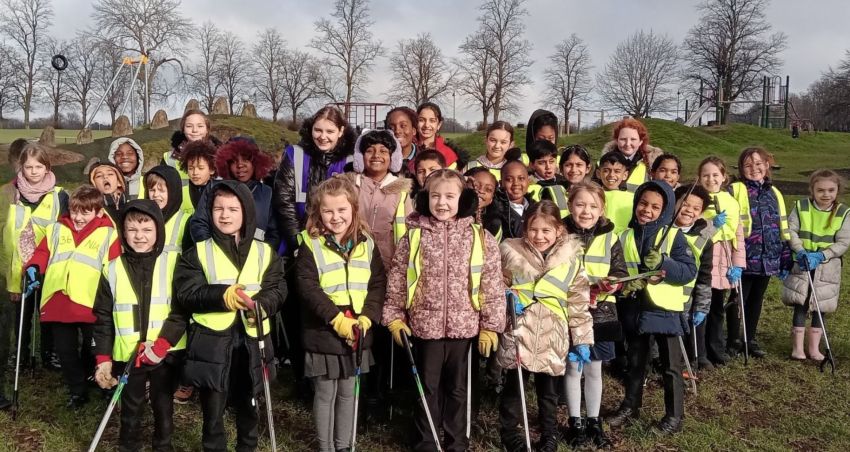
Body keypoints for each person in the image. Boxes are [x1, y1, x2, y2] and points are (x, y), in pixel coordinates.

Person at [383, 169, 504, 452]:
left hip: (465, 328)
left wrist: (491, 326)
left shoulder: (480, 238)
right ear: (426, 199)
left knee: (459, 390)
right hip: (425, 327)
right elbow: (398, 281)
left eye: (450, 196)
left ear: (463, 200)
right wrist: (395, 317)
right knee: (427, 388)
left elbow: (492, 285)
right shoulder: (413, 238)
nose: (442, 203)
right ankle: (427, 442)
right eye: (435, 196)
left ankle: (456, 442)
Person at [174, 181, 285, 451]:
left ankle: (247, 447)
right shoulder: (197, 252)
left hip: (252, 344)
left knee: (249, 406)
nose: (225, 215)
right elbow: (187, 293)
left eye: (233, 209)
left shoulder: (264, 252)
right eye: (218, 208)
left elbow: (277, 288)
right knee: (213, 411)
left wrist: (262, 306)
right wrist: (221, 296)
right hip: (213, 346)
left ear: (246, 212)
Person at [295, 177, 387, 452]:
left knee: (349, 392)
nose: (335, 217)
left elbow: (377, 283)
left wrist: (368, 316)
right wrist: (336, 319)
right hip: (324, 330)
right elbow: (307, 286)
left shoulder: (367, 242)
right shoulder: (311, 244)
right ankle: (326, 447)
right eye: (328, 211)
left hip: (358, 329)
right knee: (326, 392)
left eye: (341, 210)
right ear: (317, 213)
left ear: (353, 210)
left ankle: (344, 445)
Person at [92, 200, 187, 451]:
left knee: (162, 404)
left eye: (147, 230)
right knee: (131, 407)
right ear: (123, 232)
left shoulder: (174, 264)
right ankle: (127, 446)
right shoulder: (112, 269)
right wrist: (103, 357)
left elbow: (181, 311)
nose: (139, 236)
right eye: (132, 230)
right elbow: (102, 317)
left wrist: (162, 344)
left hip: (165, 352)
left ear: (158, 231)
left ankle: (163, 445)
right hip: (129, 355)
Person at [273, 106, 356, 391]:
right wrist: (300, 242)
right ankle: (301, 376)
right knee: (299, 312)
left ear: (341, 132)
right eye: (318, 130)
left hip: (337, 246)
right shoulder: (295, 156)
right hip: (298, 246)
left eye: (330, 131)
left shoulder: (349, 160)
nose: (323, 136)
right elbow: (283, 200)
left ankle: (333, 376)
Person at [498, 200, 591, 452]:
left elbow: (578, 301)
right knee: (514, 386)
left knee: (548, 391)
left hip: (553, 332)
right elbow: (497, 283)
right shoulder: (510, 252)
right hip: (520, 329)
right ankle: (509, 432)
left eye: (546, 231)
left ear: (559, 230)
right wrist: (507, 299)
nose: (539, 236)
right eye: (533, 230)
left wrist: (581, 339)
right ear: (525, 228)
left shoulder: (571, 260)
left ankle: (549, 434)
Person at [607, 181, 697, 434]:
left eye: (655, 207)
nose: (647, 210)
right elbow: (620, 270)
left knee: (670, 366)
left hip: (664, 310)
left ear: (665, 211)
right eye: (643, 204)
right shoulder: (625, 235)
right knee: (635, 361)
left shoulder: (673, 236)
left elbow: (689, 271)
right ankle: (630, 405)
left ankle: (674, 416)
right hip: (635, 308)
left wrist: (665, 264)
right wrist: (625, 285)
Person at [24, 185, 121, 408]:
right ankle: (78, 391)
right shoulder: (56, 229)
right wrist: (33, 267)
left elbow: (115, 267)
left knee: (96, 348)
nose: (78, 217)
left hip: (91, 301)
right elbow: (42, 252)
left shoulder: (109, 233)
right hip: (58, 300)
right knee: (65, 351)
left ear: (98, 212)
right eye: (74, 211)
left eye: (85, 212)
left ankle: (104, 383)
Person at [1, 142, 67, 407]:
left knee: (47, 311)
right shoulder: (10, 193)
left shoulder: (60, 195)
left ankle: (49, 353)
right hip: (18, 264)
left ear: (47, 167)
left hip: (48, 263)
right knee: (21, 314)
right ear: (21, 167)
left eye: (39, 166)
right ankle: (21, 355)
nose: (33, 172)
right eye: (28, 167)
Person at [562, 182, 627, 448]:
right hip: (571, 312)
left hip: (601, 314)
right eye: (580, 205)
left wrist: (615, 283)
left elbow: (621, 273)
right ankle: (574, 421)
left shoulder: (611, 237)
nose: (586, 211)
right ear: (569, 206)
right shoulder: (560, 233)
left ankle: (594, 420)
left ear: (602, 209)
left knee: (594, 369)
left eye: (593, 206)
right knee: (573, 367)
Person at [728, 147, 791, 358]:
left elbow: (782, 225)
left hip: (768, 257)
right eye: (748, 165)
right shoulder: (736, 189)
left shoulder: (775, 193)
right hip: (744, 256)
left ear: (766, 165)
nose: (754, 168)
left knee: (757, 299)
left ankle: (750, 337)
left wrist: (784, 255)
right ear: (741, 168)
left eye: (758, 164)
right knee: (739, 300)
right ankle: (733, 339)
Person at [782, 169, 849, 360]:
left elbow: (843, 242)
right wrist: (800, 250)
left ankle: (814, 348)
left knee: (821, 306)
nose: (826, 194)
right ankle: (797, 348)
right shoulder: (801, 206)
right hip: (802, 262)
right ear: (812, 190)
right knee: (800, 303)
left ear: (837, 190)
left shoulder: (844, 212)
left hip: (826, 266)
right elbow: (791, 230)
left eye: (830, 190)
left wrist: (823, 255)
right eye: (820, 190)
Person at [697, 156, 745, 366]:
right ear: (699, 178)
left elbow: (738, 236)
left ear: (724, 177)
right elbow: (695, 234)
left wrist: (738, 265)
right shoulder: (696, 200)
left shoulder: (731, 203)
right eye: (706, 175)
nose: (711, 179)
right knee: (701, 307)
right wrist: (712, 225)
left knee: (717, 306)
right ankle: (700, 351)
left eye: (715, 175)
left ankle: (716, 348)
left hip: (724, 260)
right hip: (705, 258)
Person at [190, 137, 279, 249]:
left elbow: (273, 234)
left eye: (246, 160)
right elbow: (199, 224)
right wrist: (212, 252)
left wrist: (260, 258)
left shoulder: (267, 192)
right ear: (226, 164)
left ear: (256, 162)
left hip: (255, 261)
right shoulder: (213, 188)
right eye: (234, 161)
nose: (240, 165)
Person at [672, 184, 715, 372]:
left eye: (696, 208)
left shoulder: (704, 239)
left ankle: (686, 360)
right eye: (685, 204)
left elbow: (705, 277)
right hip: (658, 296)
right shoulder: (661, 230)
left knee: (683, 331)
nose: (689, 210)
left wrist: (702, 308)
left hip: (686, 299)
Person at [164, 110, 220, 214]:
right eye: (189, 126)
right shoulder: (169, 159)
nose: (195, 130)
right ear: (183, 129)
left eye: (200, 126)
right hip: (181, 218)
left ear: (207, 129)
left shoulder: (221, 157)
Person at [601, 118, 663, 193]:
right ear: (616, 140)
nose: (627, 144)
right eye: (623, 139)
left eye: (633, 139)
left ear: (640, 141)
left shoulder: (652, 165)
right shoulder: (602, 163)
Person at [144, 165, 193, 253]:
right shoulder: (142, 218)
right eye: (152, 190)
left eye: (161, 190)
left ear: (173, 192)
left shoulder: (187, 222)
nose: (155, 195)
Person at [416, 102, 466, 169]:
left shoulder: (448, 154)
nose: (426, 125)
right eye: (421, 120)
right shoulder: (407, 149)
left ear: (439, 125)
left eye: (432, 121)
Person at [527, 140, 569, 218]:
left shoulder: (565, 183)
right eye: (542, 163)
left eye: (551, 161)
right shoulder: (528, 187)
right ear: (532, 165)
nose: (548, 167)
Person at [596, 152, 633, 234]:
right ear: (598, 173)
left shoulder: (632, 199)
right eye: (606, 171)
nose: (611, 175)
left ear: (625, 175)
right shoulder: (592, 196)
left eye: (617, 171)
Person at [498, 160, 535, 240]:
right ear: (501, 183)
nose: (516, 183)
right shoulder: (496, 211)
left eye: (521, 178)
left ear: (528, 182)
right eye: (509, 179)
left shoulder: (537, 208)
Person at [179, 139, 218, 211]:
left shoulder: (220, 191)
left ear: (212, 170)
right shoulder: (179, 191)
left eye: (200, 168)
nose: (195, 173)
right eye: (191, 168)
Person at [465, 167, 502, 240]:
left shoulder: (495, 225)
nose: (481, 191)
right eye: (475, 185)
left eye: (488, 189)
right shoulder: (448, 213)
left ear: (491, 199)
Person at [385, 106, 420, 176]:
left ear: (414, 130)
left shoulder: (425, 158)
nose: (397, 131)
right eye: (391, 127)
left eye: (403, 126)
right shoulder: (381, 159)